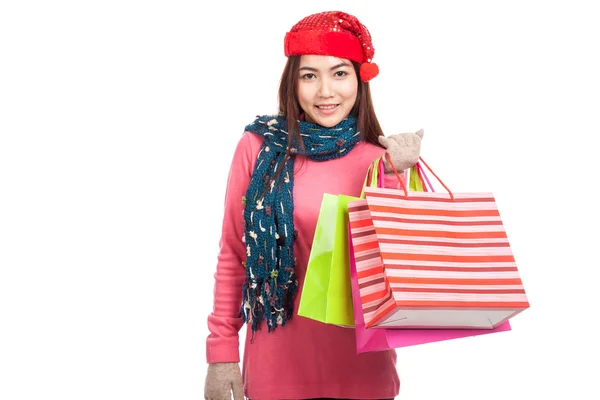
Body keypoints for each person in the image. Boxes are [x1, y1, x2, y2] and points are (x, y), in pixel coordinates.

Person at [204, 10, 423, 400]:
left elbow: (400, 268)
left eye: (339, 73)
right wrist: (221, 356)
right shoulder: (258, 149)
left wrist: (396, 174)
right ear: (293, 81)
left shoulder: (379, 158)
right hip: (275, 371)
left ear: (360, 79)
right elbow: (234, 254)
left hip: (364, 373)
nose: (325, 92)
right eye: (310, 75)